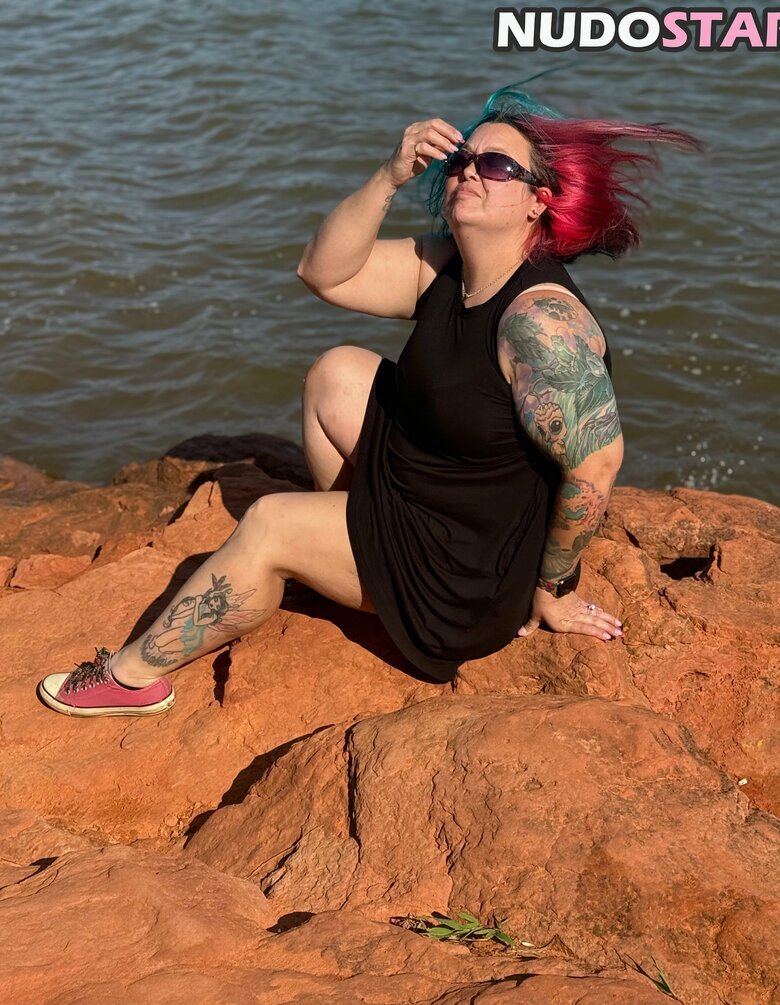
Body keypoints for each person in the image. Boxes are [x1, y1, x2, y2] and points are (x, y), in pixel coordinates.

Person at [37, 84, 702, 715]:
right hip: (428, 495)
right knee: (337, 372)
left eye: (497, 166)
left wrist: (553, 587)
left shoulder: (540, 323)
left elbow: (596, 463)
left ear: (538, 202)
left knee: (269, 521)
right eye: (462, 158)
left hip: (462, 573)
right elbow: (322, 272)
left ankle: (131, 679)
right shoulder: (450, 267)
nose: (469, 172)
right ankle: (340, 552)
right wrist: (389, 176)